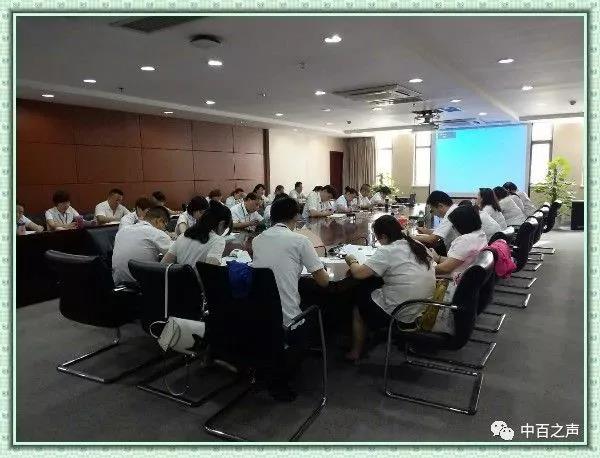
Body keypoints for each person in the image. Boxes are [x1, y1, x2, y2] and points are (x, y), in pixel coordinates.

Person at [252, 197, 330, 400]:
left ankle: (267, 366)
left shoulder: (257, 240)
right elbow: (323, 281)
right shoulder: (300, 240)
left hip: (260, 313)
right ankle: (285, 371)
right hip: (286, 320)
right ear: (296, 216)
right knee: (315, 310)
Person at [343, 215, 435, 361]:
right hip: (423, 307)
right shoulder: (417, 245)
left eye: (378, 239)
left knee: (358, 304)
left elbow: (359, 273)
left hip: (402, 311)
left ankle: (355, 352)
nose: (379, 242)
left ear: (384, 236)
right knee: (371, 285)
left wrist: (352, 260)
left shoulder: (388, 250)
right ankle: (370, 336)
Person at [427, 205, 487, 335]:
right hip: (465, 283)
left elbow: (445, 269)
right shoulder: (479, 235)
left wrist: (423, 268)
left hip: (453, 284)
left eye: (454, 226)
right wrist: (437, 258)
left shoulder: (465, 240)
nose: (453, 229)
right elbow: (459, 260)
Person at [112, 206, 172, 286]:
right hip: (143, 285)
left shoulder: (123, 230)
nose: (164, 229)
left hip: (118, 284)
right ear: (159, 221)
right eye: (165, 225)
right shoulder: (156, 233)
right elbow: (177, 254)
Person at [162, 201, 232, 267]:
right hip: (199, 276)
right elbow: (211, 271)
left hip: (179, 275)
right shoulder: (217, 240)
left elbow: (163, 265)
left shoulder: (183, 236)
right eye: (225, 228)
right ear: (221, 224)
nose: (223, 232)